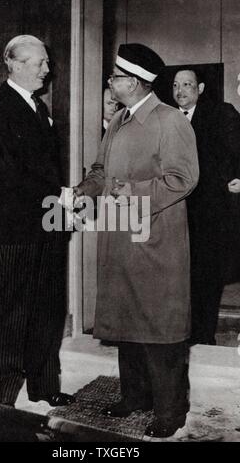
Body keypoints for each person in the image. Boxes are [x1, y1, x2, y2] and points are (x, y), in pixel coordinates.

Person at [74, 43, 199, 438]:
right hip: (120, 241)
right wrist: (86, 190)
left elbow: (182, 179)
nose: (110, 83)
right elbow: (99, 169)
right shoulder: (119, 121)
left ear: (135, 82)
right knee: (128, 322)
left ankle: (170, 410)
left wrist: (132, 191)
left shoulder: (170, 122)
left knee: (159, 329)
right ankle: (135, 397)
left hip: (156, 244)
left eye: (115, 77)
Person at [0, 35, 74, 408]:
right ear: (15, 64)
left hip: (47, 224)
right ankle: (5, 393)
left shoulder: (40, 108)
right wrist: (60, 194)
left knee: (48, 307)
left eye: (46, 63)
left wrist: (58, 202)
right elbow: (12, 171)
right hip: (11, 229)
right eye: (40, 63)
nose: (47, 70)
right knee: (12, 311)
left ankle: (44, 385)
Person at [173, 68, 240, 345]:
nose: (181, 90)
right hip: (174, 212)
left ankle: (203, 336)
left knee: (205, 277)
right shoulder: (164, 118)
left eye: (187, 84)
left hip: (208, 214)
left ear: (200, 88)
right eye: (176, 85)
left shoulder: (220, 114)